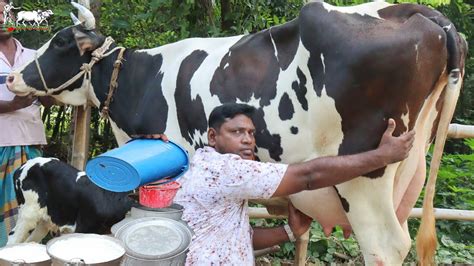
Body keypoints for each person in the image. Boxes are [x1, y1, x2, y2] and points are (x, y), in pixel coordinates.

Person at [170, 103, 415, 265]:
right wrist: (382, 157)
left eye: (251, 133)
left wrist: (289, 232)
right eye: (237, 132)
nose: (247, 141)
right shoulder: (226, 170)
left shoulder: (205, 166)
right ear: (213, 137)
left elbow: (238, 237)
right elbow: (308, 177)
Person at [0, 0, 50, 247]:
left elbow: (51, 99)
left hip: (31, 144)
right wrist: (13, 106)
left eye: (5, 13)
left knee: (33, 211)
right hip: (1, 145)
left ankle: (25, 257)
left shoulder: (33, 56)